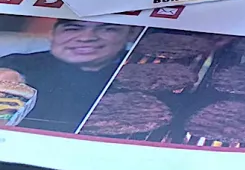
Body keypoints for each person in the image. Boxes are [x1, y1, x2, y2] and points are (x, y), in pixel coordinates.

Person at [0, 20, 140, 133]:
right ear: (53, 34)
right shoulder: (20, 62)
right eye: (72, 28)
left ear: (131, 34)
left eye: (108, 29)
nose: (86, 38)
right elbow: (9, 73)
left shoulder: (141, 71)